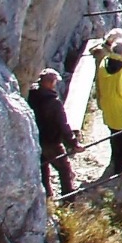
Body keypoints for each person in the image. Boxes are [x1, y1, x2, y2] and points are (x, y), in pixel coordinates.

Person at [26, 68, 77, 199]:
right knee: (64, 169)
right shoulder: (54, 103)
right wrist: (74, 143)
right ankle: (68, 198)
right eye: (54, 82)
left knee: (43, 168)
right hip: (52, 141)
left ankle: (47, 196)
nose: (55, 84)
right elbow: (63, 125)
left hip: (37, 139)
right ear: (49, 82)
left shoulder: (31, 96)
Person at [93, 35, 122, 177]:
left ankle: (117, 162)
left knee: (114, 135)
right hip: (121, 108)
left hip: (108, 105)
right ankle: (121, 166)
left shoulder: (104, 62)